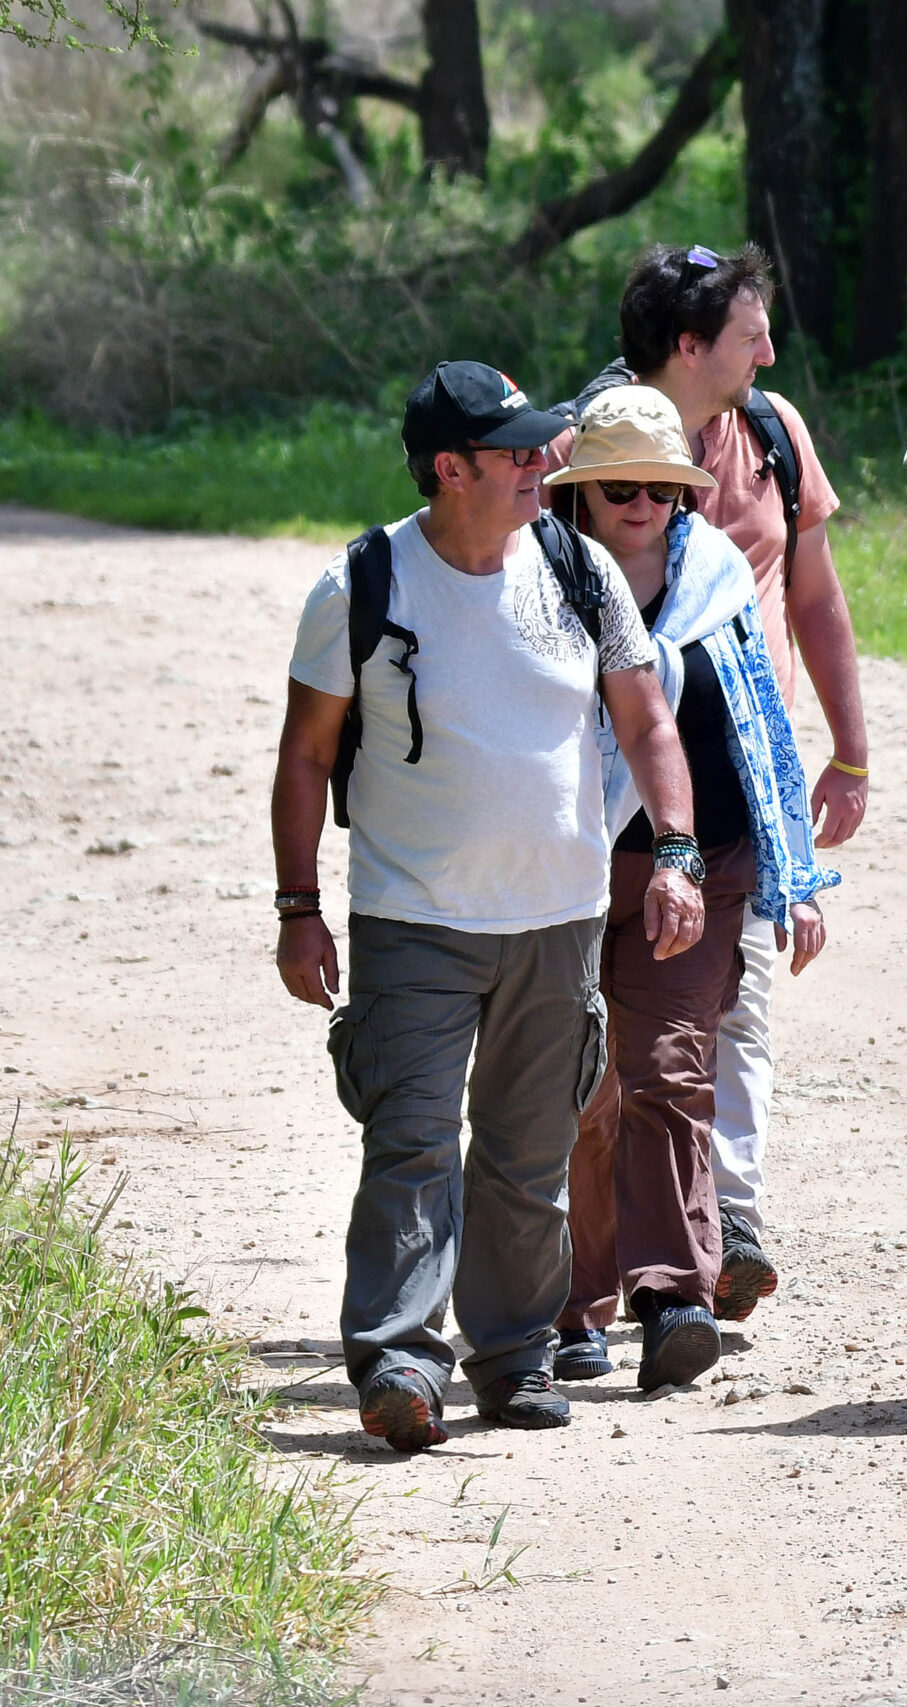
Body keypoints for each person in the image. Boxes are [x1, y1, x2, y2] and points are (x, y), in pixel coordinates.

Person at [272, 361, 704, 1451]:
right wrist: (298, 906)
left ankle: (513, 1357)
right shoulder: (362, 585)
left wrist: (676, 852)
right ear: (449, 469)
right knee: (410, 1142)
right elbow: (306, 754)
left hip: (557, 919)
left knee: (527, 1152)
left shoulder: (577, 568)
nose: (538, 465)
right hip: (413, 919)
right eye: (513, 452)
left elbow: (647, 721)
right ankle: (400, 1362)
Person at [562, 243, 868, 1321]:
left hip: (737, 786)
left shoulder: (773, 435)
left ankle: (723, 1230)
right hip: (598, 803)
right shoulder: (584, 446)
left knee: (724, 1014)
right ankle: (585, 1276)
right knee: (599, 1048)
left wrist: (849, 751)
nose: (770, 354)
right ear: (689, 346)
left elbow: (816, 599)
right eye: (751, 335)